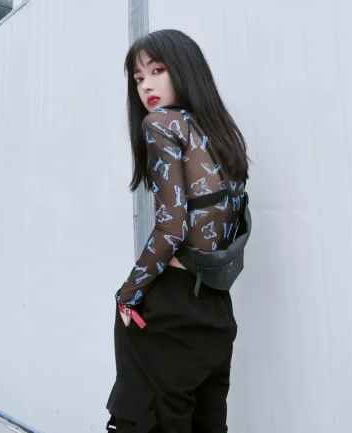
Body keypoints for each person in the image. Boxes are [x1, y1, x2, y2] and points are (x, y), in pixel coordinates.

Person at [106, 29, 250, 433]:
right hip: (217, 309)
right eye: (138, 78)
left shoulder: (161, 124)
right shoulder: (220, 132)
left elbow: (171, 226)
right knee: (208, 422)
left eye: (157, 70)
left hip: (170, 306)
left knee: (147, 420)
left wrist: (127, 294)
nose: (146, 86)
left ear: (185, 69)